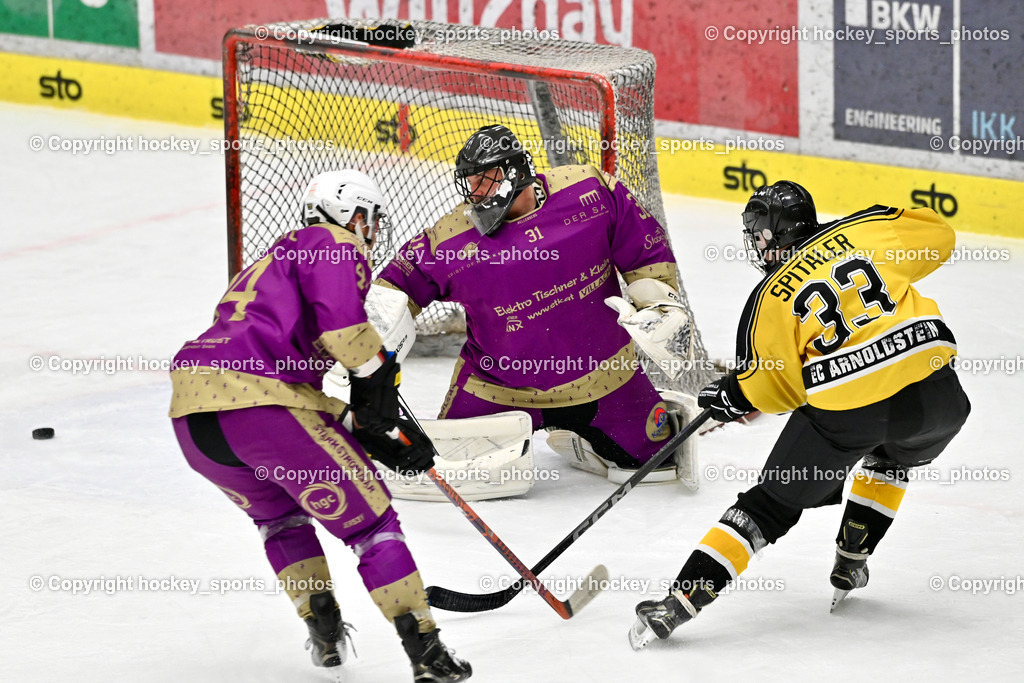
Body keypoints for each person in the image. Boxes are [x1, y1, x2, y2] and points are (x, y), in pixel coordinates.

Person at [629, 180, 971, 648]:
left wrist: (732, 396)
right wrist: (865, 223)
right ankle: (852, 557)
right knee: (892, 458)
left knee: (770, 505)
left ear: (770, 236)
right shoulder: (865, 234)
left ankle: (679, 603)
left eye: (758, 234)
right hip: (938, 398)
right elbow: (938, 235)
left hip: (852, 412)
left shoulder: (769, 297)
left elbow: (775, 391)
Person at [168, 170, 472, 681]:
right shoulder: (334, 244)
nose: (371, 235)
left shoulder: (269, 265)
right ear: (356, 216)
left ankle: (323, 629)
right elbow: (346, 334)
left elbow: (285, 392)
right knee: (372, 525)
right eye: (370, 223)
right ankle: (426, 651)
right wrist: (378, 384)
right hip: (258, 411)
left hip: (194, 419)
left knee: (281, 520)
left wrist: (366, 425)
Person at [375, 124, 697, 486]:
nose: (477, 192)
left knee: (659, 466)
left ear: (517, 173)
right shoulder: (453, 239)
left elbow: (644, 252)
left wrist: (658, 306)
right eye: (471, 182)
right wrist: (365, 351)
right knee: (448, 474)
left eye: (487, 179)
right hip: (498, 389)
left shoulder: (588, 190)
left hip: (607, 379)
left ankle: (585, 442)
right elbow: (393, 290)